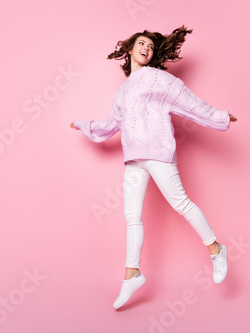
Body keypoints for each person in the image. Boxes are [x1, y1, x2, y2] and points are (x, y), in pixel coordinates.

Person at [70, 25, 237, 310]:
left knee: (181, 203)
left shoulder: (159, 79)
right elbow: (113, 124)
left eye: (150, 46)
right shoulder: (122, 91)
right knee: (132, 217)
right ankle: (131, 274)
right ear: (129, 48)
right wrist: (86, 126)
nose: (146, 48)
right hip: (134, 158)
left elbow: (190, 103)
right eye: (141, 44)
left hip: (159, 154)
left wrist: (219, 117)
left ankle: (216, 249)